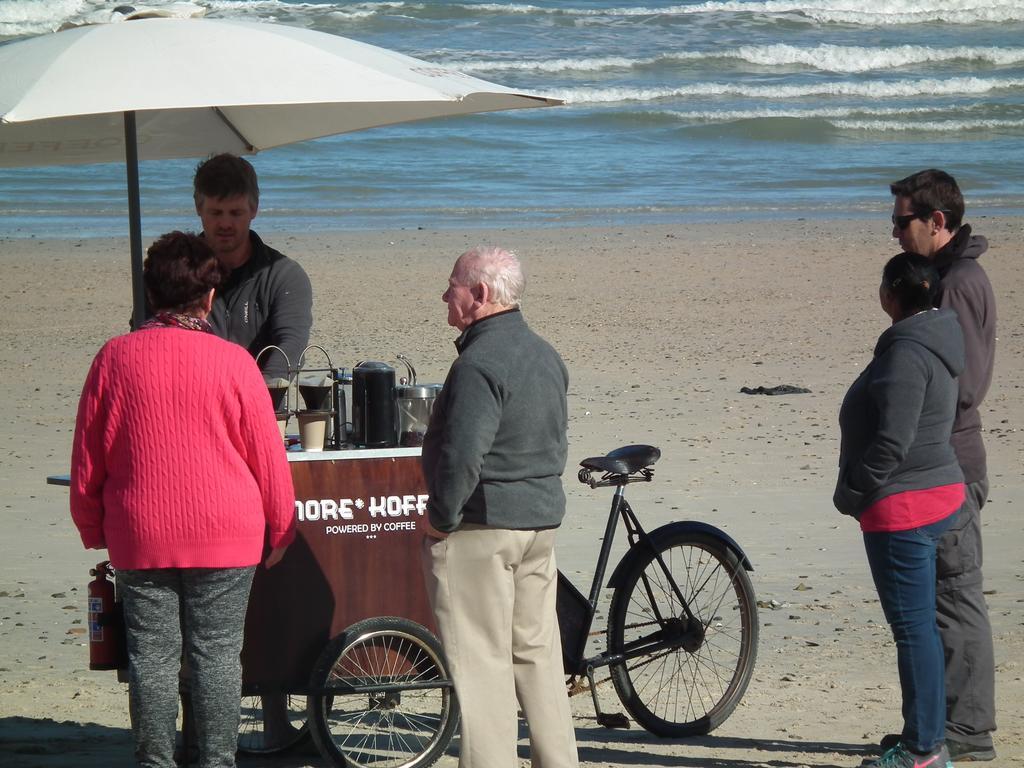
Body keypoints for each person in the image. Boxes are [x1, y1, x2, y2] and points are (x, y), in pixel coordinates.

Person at [70, 231, 296, 767]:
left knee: (151, 657)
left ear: (150, 295)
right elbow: (268, 457)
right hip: (226, 532)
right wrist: (281, 527)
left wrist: (90, 524)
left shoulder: (114, 359)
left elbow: (88, 457)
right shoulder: (236, 362)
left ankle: (155, 760)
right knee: (217, 655)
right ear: (210, 297)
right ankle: (216, 761)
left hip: (141, 531)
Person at [420, 246, 579, 768]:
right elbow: (554, 441)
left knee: (482, 664)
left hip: (483, 527)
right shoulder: (545, 354)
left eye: (453, 286)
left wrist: (440, 521)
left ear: (480, 295)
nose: (446, 294)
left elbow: (462, 456)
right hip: (538, 522)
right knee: (538, 658)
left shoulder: (478, 364)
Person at [834, 253, 965, 768]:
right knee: (921, 628)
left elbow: (893, 441)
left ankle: (924, 750)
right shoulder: (937, 336)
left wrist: (853, 489)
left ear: (891, 293)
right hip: (935, 495)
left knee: (913, 631)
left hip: (906, 505)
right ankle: (923, 734)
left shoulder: (907, 352)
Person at [887, 169, 997, 762]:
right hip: (944, 461)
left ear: (937, 221)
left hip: (951, 462)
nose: (895, 234)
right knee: (936, 600)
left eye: (903, 222)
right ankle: (938, 726)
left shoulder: (958, 281)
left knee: (953, 596)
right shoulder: (949, 276)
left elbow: (964, 382)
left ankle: (967, 732)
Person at [193, 153, 313, 378]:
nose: (226, 223)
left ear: (254, 209)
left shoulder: (284, 275)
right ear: (199, 207)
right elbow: (148, 342)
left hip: (259, 398)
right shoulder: (171, 274)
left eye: (236, 213)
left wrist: (253, 401)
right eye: (216, 212)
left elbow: (291, 347)